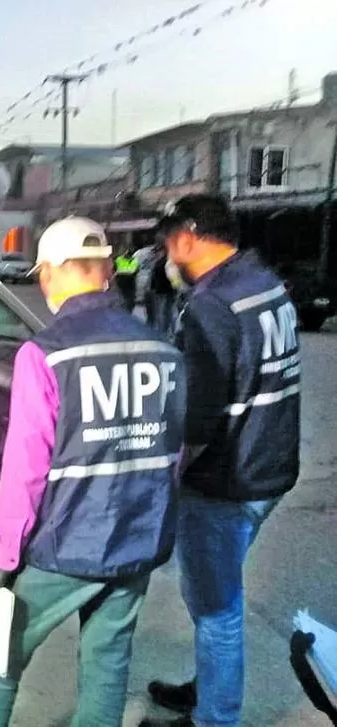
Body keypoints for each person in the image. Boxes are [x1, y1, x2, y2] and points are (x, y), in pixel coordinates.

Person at [0, 216, 187, 727]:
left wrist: (7, 557)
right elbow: (173, 452)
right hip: (140, 542)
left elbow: (26, 470)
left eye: (43, 274)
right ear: (105, 272)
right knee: (107, 662)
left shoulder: (46, 354)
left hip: (68, 546)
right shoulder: (163, 349)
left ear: (52, 274)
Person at [140, 195, 301, 727]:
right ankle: (210, 689)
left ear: (187, 235)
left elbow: (199, 421)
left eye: (167, 238)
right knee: (218, 596)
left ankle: (215, 718)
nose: (164, 250)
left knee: (215, 608)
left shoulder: (211, 305)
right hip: (269, 470)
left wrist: (168, 477)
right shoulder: (264, 284)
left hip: (227, 482)